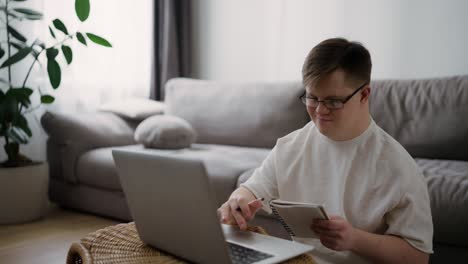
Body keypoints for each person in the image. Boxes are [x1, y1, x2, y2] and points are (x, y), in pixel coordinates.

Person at [217, 38, 433, 264]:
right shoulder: (291, 147)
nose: (320, 110)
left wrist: (354, 239)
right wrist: (238, 202)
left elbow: (418, 257)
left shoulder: (397, 166)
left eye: (333, 101)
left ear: (364, 94)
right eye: (312, 97)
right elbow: (251, 189)